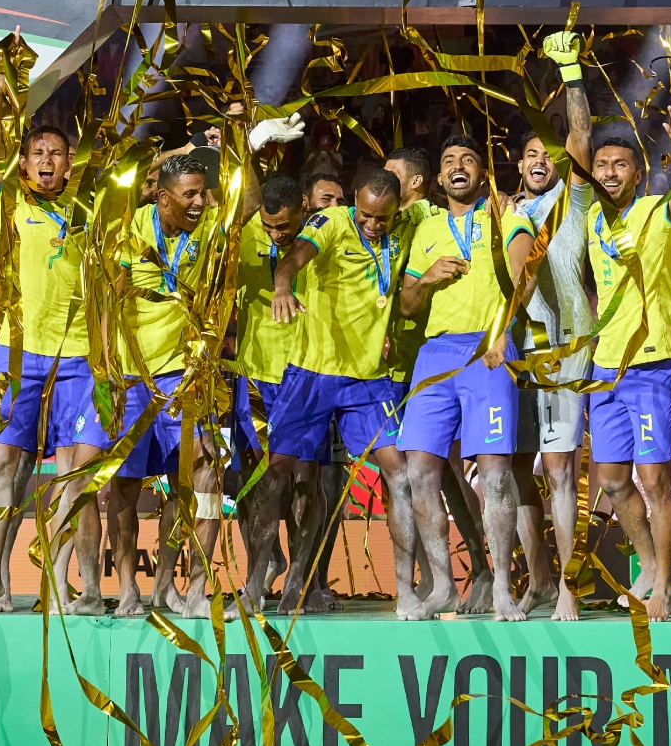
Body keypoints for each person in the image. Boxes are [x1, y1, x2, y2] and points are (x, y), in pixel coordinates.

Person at [0, 49, 95, 616]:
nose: (45, 160)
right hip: (18, 352)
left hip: (80, 356)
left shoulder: (87, 214)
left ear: (68, 165)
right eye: (36, 152)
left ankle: (58, 584)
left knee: (71, 473)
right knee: (0, 466)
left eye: (55, 154)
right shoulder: (6, 199)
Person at [269, 169, 431, 617]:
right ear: (354, 204)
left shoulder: (409, 223)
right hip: (311, 374)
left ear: (396, 209)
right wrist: (283, 287)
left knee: (398, 473)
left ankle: (407, 592)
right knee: (280, 473)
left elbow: (431, 201)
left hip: (367, 378)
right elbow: (293, 259)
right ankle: (266, 585)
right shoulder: (333, 222)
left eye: (382, 218)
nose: (372, 225)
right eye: (365, 215)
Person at [396, 135, 537, 619]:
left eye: (469, 160)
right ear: (437, 178)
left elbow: (526, 278)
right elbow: (409, 304)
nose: (458, 167)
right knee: (418, 473)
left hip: (489, 349)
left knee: (495, 476)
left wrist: (502, 333)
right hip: (436, 354)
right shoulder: (426, 231)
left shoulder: (507, 217)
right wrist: (425, 278)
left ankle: (501, 588)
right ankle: (442, 588)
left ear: (482, 174)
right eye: (449, 160)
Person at [585, 103, 671, 621]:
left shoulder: (657, 212)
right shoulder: (591, 217)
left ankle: (665, 585)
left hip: (653, 363)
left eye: (620, 165)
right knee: (612, 479)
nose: (609, 173)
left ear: (638, 172)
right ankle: (650, 565)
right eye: (602, 165)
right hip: (604, 366)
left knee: (655, 481)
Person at [110, 150, 230, 618]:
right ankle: (126, 588)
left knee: (204, 476)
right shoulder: (128, 227)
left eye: (204, 192)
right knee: (124, 485)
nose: (202, 202)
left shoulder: (208, 225)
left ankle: (182, 587)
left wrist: (246, 139)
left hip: (187, 374)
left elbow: (246, 202)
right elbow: (109, 299)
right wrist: (109, 374)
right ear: (162, 198)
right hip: (132, 375)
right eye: (191, 195)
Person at [509, 29, 595, 620]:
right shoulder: (506, 211)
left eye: (549, 155)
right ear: (519, 164)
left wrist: (570, 73)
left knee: (561, 469)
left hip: (566, 346)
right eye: (531, 156)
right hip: (517, 353)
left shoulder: (576, 196)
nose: (541, 163)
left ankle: (568, 586)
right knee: (511, 468)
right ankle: (536, 579)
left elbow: (582, 132)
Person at [233, 173, 319, 611]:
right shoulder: (245, 229)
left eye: (284, 227)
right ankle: (258, 578)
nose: (276, 235)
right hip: (253, 374)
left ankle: (300, 581)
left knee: (303, 480)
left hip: (305, 375)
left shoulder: (323, 236)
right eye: (270, 228)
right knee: (254, 482)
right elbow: (240, 192)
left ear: (304, 206)